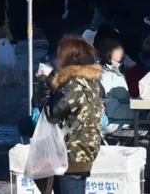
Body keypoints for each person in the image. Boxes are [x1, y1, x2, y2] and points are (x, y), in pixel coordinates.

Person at [32, 37, 104, 194]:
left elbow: (51, 114)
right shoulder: (90, 81)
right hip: (80, 155)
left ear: (69, 58)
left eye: (59, 56)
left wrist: (43, 84)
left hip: (70, 158)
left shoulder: (74, 84)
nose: (55, 60)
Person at [96, 30, 133, 134]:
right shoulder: (104, 75)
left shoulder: (117, 70)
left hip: (123, 117)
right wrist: (136, 112)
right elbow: (111, 108)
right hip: (112, 122)